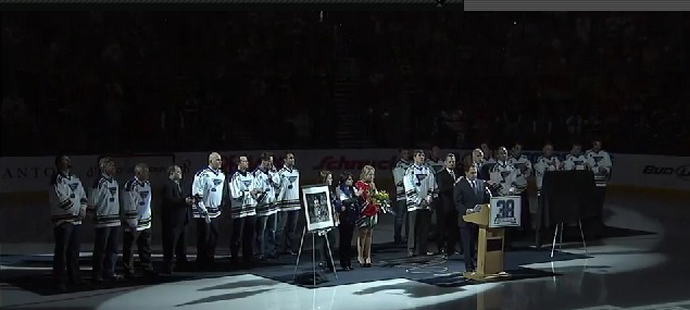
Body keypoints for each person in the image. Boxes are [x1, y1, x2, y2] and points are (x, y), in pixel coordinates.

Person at [48, 155, 87, 291]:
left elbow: (82, 195)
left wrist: (82, 209)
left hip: (76, 221)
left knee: (74, 251)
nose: (68, 162)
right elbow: (60, 197)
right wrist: (74, 211)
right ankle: (59, 280)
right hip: (63, 220)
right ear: (58, 164)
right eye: (65, 160)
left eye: (68, 160)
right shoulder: (57, 179)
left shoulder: (75, 178)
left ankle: (74, 277)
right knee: (62, 252)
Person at [88, 157, 122, 282]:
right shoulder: (99, 182)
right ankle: (97, 274)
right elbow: (93, 199)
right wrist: (91, 212)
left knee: (113, 248)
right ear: (103, 167)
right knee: (100, 249)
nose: (114, 168)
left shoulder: (114, 182)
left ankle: (110, 271)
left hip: (114, 220)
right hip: (103, 220)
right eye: (111, 166)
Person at [191, 152, 226, 269]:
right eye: (217, 160)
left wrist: (221, 205)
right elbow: (196, 193)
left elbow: (222, 192)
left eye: (220, 159)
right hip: (203, 213)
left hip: (215, 211)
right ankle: (201, 261)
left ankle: (210, 259)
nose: (220, 162)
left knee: (213, 237)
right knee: (203, 238)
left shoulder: (222, 175)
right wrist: (203, 210)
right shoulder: (202, 174)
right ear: (210, 161)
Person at [454, 164, 491, 272]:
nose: (474, 175)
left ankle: (480, 266)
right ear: (466, 173)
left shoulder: (481, 183)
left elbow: (486, 198)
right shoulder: (460, 185)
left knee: (478, 245)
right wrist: (466, 210)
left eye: (475, 173)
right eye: (472, 173)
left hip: (480, 220)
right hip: (466, 220)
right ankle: (469, 268)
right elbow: (457, 202)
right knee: (467, 246)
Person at [121, 163, 155, 277]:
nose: (148, 174)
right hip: (134, 223)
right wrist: (132, 222)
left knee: (145, 247)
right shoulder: (130, 185)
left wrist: (148, 218)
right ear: (139, 173)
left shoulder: (147, 184)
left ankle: (147, 268)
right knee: (129, 248)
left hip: (146, 222)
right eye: (146, 171)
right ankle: (129, 271)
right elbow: (129, 204)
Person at [403, 150, 438, 257]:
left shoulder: (428, 171)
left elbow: (432, 186)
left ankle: (423, 249)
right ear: (414, 157)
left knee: (425, 228)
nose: (422, 157)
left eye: (423, 155)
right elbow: (409, 186)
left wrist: (428, 199)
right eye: (419, 155)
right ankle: (411, 249)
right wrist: (419, 200)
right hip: (414, 206)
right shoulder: (409, 171)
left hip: (426, 205)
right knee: (413, 229)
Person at [160, 165, 194, 274]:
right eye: (178, 172)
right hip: (172, 221)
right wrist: (184, 201)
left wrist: (190, 201)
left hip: (183, 219)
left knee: (182, 245)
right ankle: (168, 266)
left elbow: (184, 199)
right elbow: (169, 201)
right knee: (170, 245)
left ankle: (182, 264)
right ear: (171, 173)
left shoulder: (181, 185)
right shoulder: (167, 185)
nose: (180, 173)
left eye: (180, 171)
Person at [229, 155, 261, 265]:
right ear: (239, 163)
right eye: (245, 161)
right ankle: (234, 258)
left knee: (249, 235)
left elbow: (255, 190)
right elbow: (235, 194)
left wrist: (257, 194)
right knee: (237, 236)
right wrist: (249, 193)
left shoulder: (250, 175)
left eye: (247, 161)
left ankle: (248, 256)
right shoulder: (234, 176)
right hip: (239, 211)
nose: (247, 163)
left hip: (251, 210)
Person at [253, 152, 281, 261]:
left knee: (272, 231)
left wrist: (273, 174)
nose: (271, 164)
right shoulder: (256, 174)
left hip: (273, 207)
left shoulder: (272, 172)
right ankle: (260, 253)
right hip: (263, 208)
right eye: (269, 161)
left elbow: (278, 184)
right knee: (261, 232)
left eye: (272, 161)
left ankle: (271, 251)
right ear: (263, 161)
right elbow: (256, 190)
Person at [585, 140, 612, 237]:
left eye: (599, 145)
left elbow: (608, 167)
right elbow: (587, 167)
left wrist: (605, 170)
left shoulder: (605, 154)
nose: (597, 147)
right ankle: (589, 224)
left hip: (601, 184)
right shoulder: (588, 154)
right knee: (590, 205)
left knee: (599, 205)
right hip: (591, 184)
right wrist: (597, 169)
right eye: (596, 144)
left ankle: (598, 225)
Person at [435, 153, 460, 257]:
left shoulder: (457, 173)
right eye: (449, 161)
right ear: (445, 163)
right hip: (444, 205)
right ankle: (440, 248)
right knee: (441, 228)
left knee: (453, 228)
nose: (451, 163)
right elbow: (441, 189)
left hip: (455, 205)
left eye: (453, 161)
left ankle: (451, 248)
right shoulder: (440, 174)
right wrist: (454, 185)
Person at [276, 151, 300, 255]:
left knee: (292, 228)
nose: (292, 160)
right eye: (290, 158)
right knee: (280, 228)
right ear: (285, 160)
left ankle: (289, 248)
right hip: (284, 205)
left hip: (295, 204)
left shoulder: (296, 172)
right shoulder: (281, 173)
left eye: (293, 158)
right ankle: (277, 248)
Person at [354, 165, 378, 267]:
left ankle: (368, 256)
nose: (372, 176)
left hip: (372, 211)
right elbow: (358, 199)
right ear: (365, 174)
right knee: (362, 234)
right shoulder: (359, 184)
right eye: (370, 174)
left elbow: (376, 196)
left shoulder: (372, 185)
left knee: (369, 234)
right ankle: (360, 256)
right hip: (363, 212)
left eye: (373, 174)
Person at [336, 172, 360, 271]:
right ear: (345, 180)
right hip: (344, 217)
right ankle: (343, 262)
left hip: (351, 216)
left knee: (349, 240)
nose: (351, 181)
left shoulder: (352, 189)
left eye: (351, 179)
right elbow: (345, 201)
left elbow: (355, 200)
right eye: (349, 179)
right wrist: (355, 198)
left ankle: (348, 262)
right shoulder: (339, 189)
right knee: (344, 240)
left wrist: (355, 198)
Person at [316, 170, 338, 272]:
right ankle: (323, 262)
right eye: (329, 178)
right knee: (323, 242)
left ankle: (330, 262)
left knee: (332, 241)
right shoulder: (320, 191)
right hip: (323, 220)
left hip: (332, 219)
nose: (331, 180)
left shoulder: (331, 190)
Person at [392, 149, 411, 244]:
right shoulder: (398, 166)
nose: (406, 155)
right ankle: (397, 237)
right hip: (401, 195)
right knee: (399, 217)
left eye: (407, 153)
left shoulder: (410, 165)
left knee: (409, 217)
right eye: (404, 153)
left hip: (410, 195)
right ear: (400, 155)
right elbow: (398, 181)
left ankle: (408, 237)